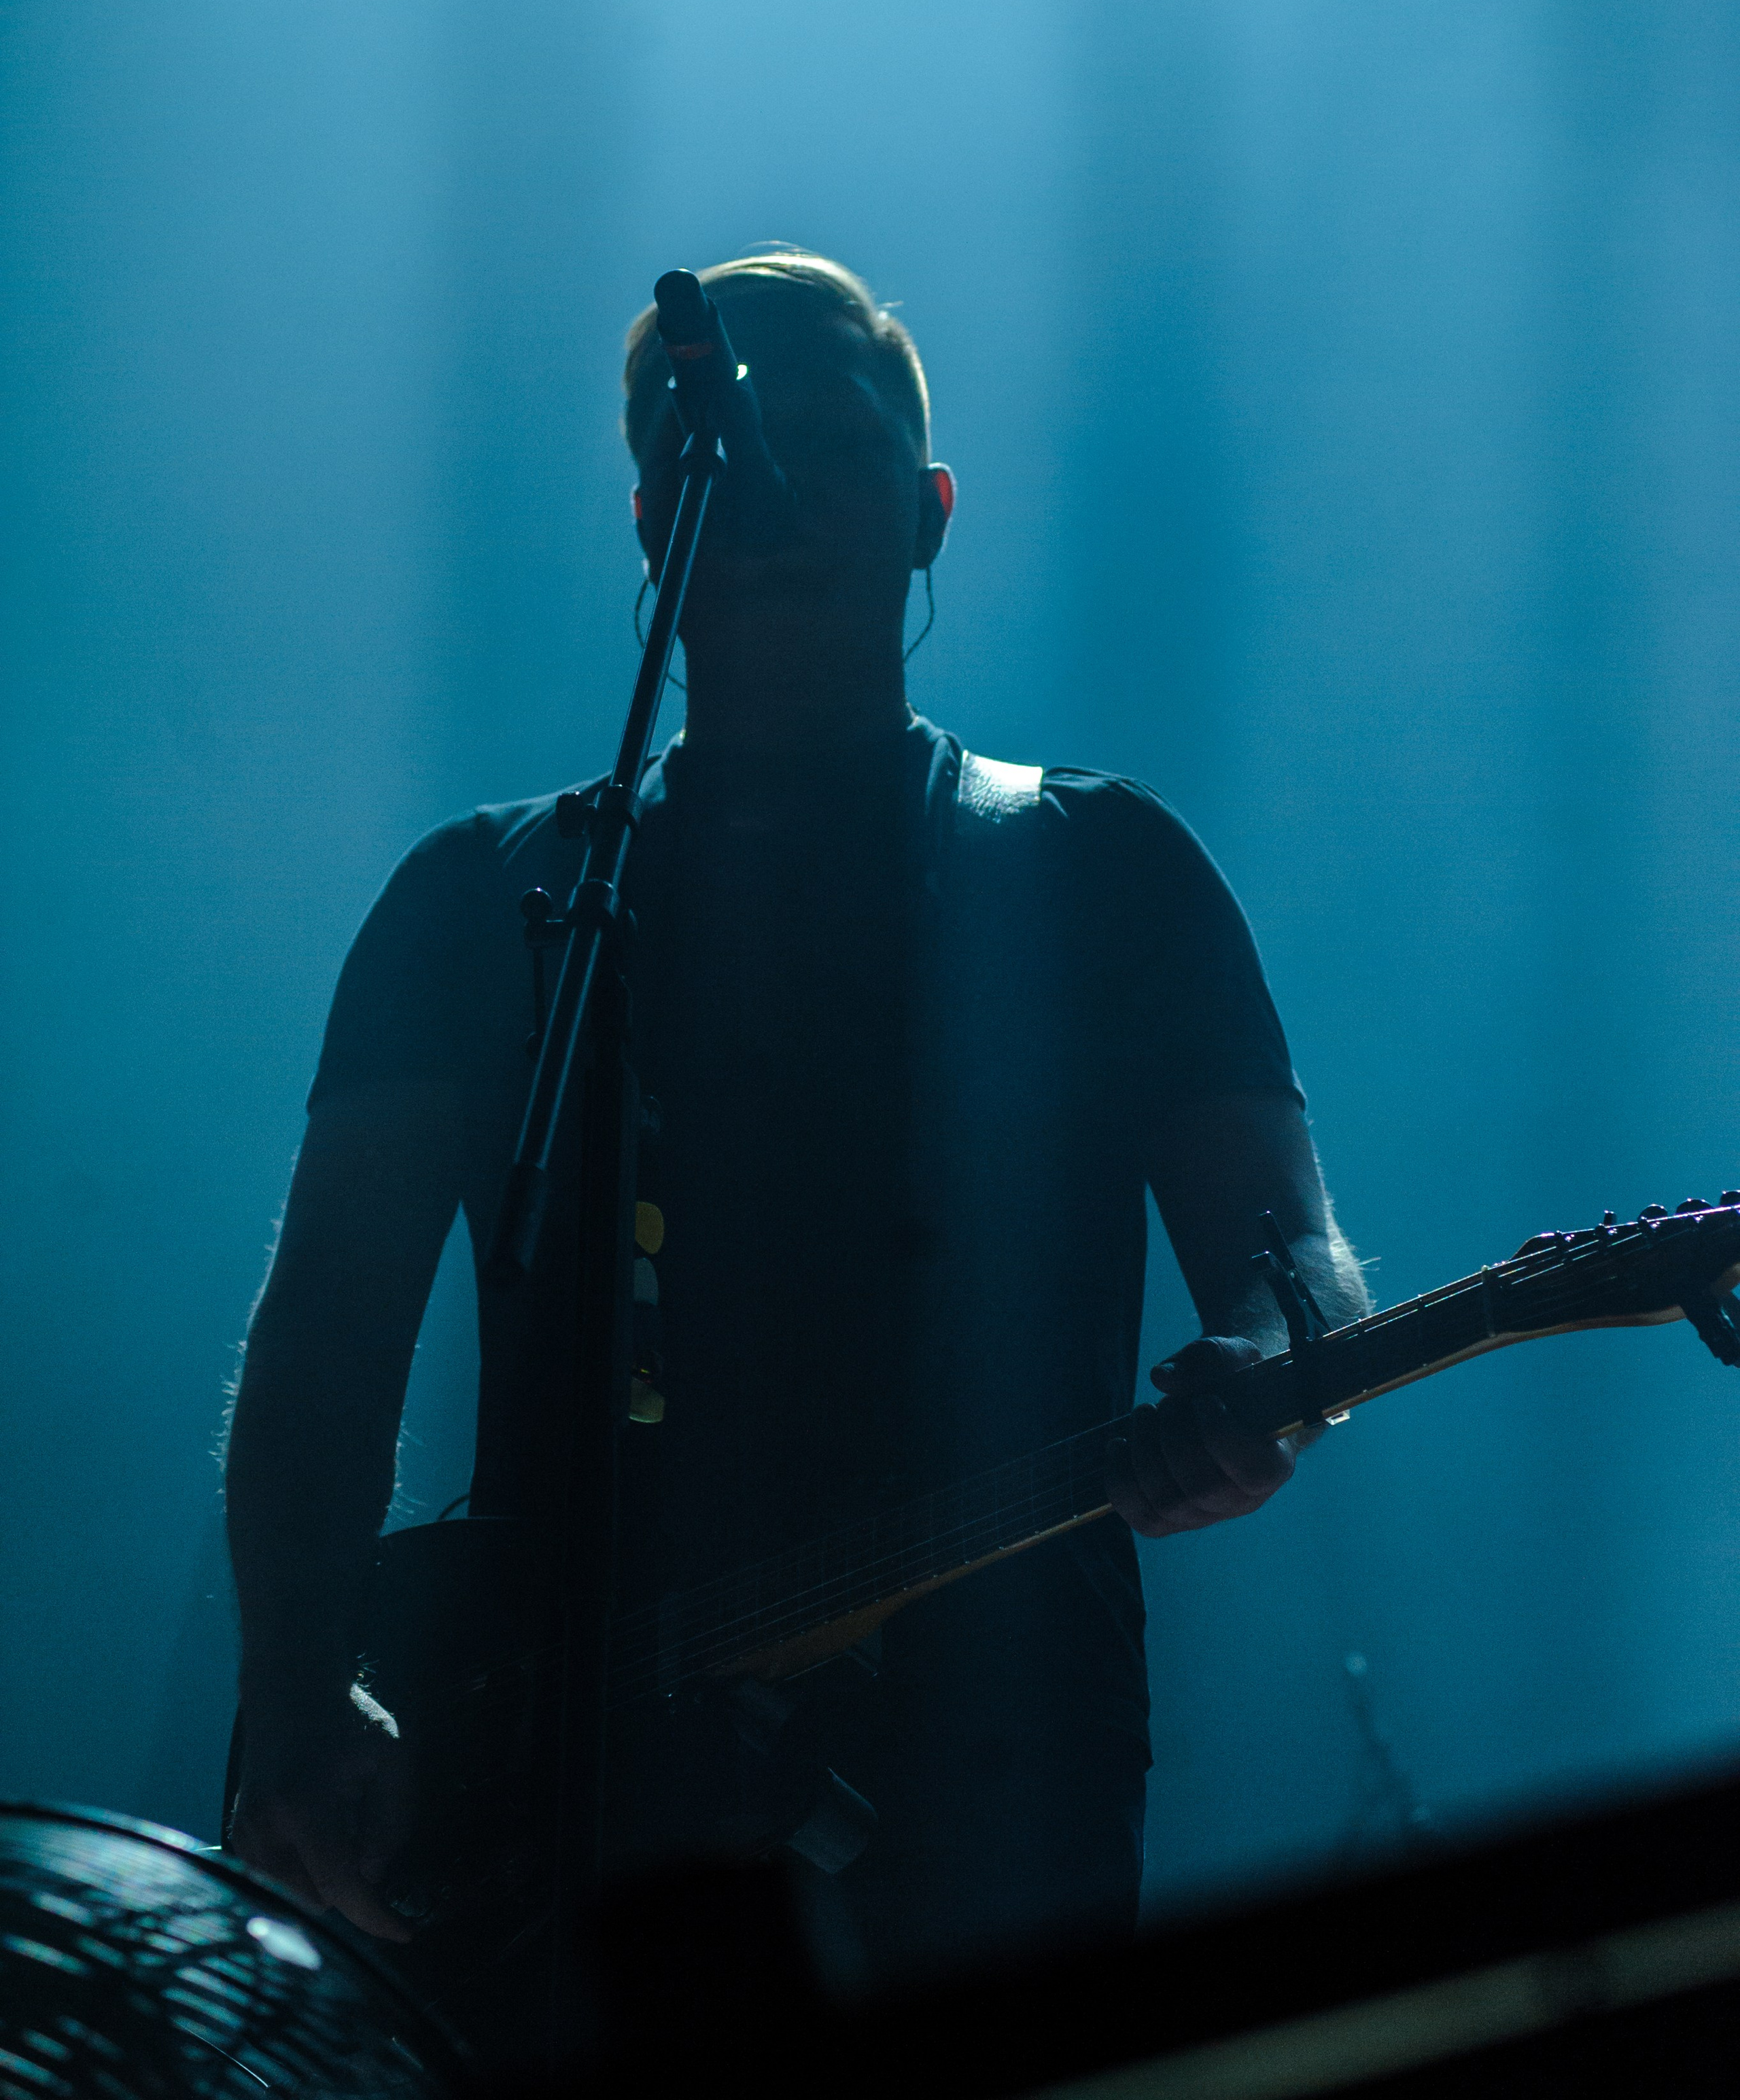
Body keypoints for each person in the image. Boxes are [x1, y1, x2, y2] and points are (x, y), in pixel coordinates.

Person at [224, 250, 1368, 2029]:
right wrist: (302, 1695)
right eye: (712, 445)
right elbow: (324, 1337)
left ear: (929, 516)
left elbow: (1288, 1260)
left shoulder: (1098, 869)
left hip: (987, 1768)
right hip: (557, 1777)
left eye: (824, 444)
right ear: (648, 513)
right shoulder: (488, 898)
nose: (762, 486)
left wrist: (1266, 1362)